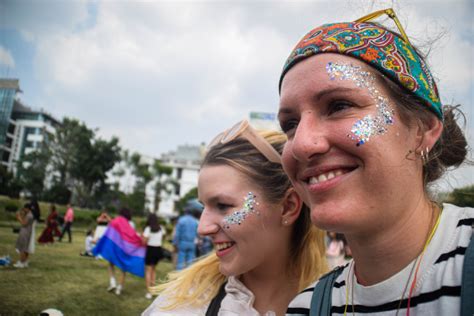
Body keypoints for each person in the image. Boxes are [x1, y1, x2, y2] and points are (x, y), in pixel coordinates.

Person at [277, 8, 473, 315]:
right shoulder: (306, 307)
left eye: (339, 105)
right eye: (290, 124)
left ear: (422, 129)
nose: (302, 143)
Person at [143, 124, 327, 315]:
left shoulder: (340, 303)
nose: (203, 228)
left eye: (223, 205)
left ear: (288, 207)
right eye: (203, 206)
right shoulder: (181, 308)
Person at [93, 207, 145, 296]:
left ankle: (112, 282)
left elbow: (111, 226)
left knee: (111, 263)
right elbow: (133, 235)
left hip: (116, 248)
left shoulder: (117, 220)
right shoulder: (131, 224)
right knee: (123, 268)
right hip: (126, 249)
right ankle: (119, 288)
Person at [142, 213, 165, 299]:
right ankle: (153, 289)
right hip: (158, 250)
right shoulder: (161, 228)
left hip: (150, 250)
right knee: (153, 270)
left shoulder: (148, 229)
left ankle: (149, 292)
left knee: (148, 271)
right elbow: (163, 237)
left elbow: (144, 242)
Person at [172, 200, 200, 270]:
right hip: (192, 244)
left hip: (182, 243)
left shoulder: (181, 220)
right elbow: (198, 233)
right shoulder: (195, 221)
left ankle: (179, 277)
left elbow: (177, 234)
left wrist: (175, 244)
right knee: (190, 263)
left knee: (180, 262)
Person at [14, 203, 34, 268]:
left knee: (22, 248)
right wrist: (22, 215)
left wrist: (18, 217)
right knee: (26, 248)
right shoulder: (29, 215)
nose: (24, 210)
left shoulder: (29, 215)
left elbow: (24, 223)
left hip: (25, 232)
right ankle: (24, 261)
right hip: (27, 232)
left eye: (24, 209)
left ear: (27, 208)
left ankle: (21, 262)